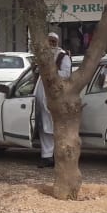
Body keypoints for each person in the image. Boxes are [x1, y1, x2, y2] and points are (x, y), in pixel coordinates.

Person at [33, 32, 72, 168]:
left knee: (55, 127)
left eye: (53, 41)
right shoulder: (42, 56)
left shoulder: (62, 56)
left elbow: (66, 73)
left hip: (55, 96)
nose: (51, 44)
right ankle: (46, 156)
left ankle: (59, 157)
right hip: (41, 95)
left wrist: (51, 73)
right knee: (43, 127)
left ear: (57, 42)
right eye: (49, 41)